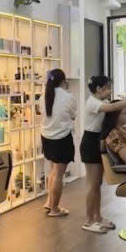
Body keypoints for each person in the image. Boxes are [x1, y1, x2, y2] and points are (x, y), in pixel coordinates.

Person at [79, 76, 126, 234]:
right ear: (98, 89)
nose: (110, 91)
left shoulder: (102, 102)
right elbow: (113, 108)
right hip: (90, 143)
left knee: (97, 184)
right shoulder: (92, 103)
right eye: (108, 88)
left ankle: (97, 217)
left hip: (98, 141)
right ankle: (88, 221)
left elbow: (123, 107)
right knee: (92, 184)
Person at [41, 69, 77, 217]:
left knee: (52, 172)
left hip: (46, 138)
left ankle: (49, 202)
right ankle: (55, 209)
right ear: (63, 81)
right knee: (58, 175)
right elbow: (73, 116)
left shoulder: (43, 96)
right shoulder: (68, 97)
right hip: (62, 139)